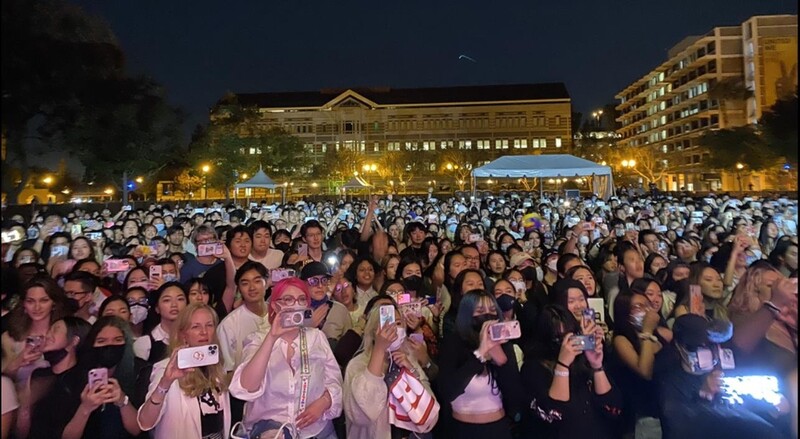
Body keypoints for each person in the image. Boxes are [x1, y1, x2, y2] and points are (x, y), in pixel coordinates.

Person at [228, 278, 342, 439]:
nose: (296, 304)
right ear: (275, 305)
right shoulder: (257, 339)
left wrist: (325, 401)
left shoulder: (316, 337)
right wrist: (272, 337)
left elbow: (335, 381)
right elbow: (245, 388)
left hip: (317, 431)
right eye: (288, 299)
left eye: (302, 299)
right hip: (271, 433)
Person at [521, 304, 621, 439]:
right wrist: (563, 365)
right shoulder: (533, 368)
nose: (566, 344)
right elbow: (555, 414)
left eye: (572, 337)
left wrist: (596, 366)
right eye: (559, 338)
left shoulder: (583, 361)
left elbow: (613, 408)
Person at [343, 301, 439, 439]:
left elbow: (430, 414)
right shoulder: (357, 365)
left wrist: (412, 373)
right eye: (386, 323)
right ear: (373, 329)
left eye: (398, 323)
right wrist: (379, 350)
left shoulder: (408, 360)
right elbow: (364, 415)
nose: (393, 328)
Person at [438, 289, 523, 439]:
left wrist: (499, 356)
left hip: (499, 429)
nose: (487, 315)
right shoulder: (453, 344)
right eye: (480, 311)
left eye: (492, 310)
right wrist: (480, 353)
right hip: (463, 430)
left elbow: (515, 396)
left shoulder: (504, 345)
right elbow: (448, 391)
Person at [137, 304, 231, 439]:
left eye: (209, 325)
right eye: (196, 327)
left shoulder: (217, 369)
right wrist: (165, 383)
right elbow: (145, 422)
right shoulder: (165, 369)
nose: (204, 332)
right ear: (183, 335)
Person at [62, 316, 140, 439]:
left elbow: (138, 430)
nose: (110, 345)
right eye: (101, 341)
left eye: (117, 340)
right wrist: (85, 408)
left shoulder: (140, 372)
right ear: (92, 343)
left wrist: (123, 401)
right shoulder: (74, 378)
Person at [21, 317, 92, 439]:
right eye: (49, 330)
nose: (48, 335)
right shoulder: (38, 374)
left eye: (55, 330)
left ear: (74, 341)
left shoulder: (84, 380)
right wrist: (26, 407)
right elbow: (22, 429)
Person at [2, 276, 67, 384]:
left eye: (44, 301)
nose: (37, 307)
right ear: (24, 304)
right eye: (31, 301)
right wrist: (19, 361)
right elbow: (4, 379)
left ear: (54, 303)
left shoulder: (65, 334)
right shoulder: (10, 338)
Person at [133, 282, 188, 364]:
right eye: (167, 300)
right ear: (157, 308)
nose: (174, 305)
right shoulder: (145, 343)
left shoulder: (196, 336)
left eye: (180, 299)